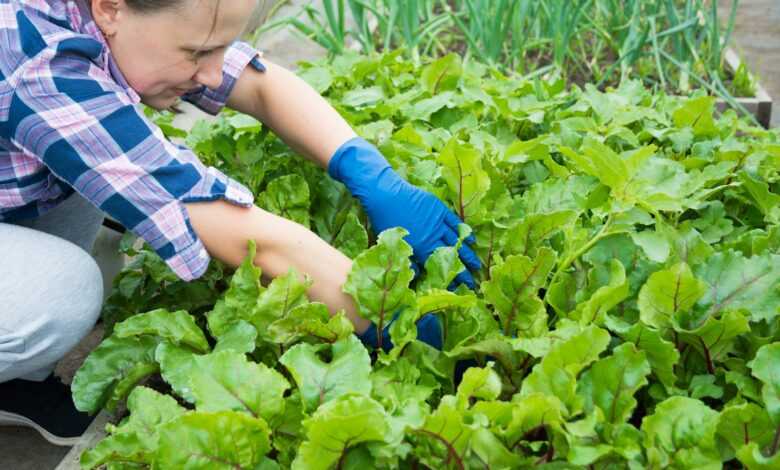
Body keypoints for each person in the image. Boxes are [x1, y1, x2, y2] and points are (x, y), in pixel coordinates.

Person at [0, 0, 480, 446]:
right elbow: (252, 241)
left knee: (102, 202)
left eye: (222, 47)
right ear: (110, 7)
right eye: (197, 52)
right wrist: (396, 318)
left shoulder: (116, 16)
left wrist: (370, 173)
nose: (212, 71)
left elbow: (261, 83)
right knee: (64, 292)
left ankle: (17, 382)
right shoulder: (41, 68)